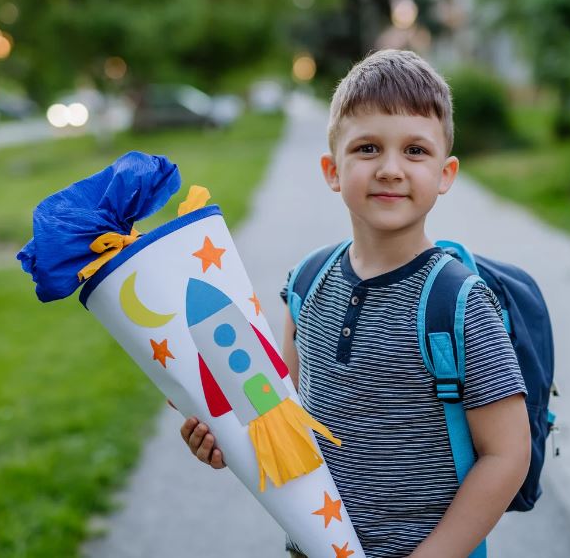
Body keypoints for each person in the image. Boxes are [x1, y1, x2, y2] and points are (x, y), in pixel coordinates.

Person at [180, 49, 531, 558]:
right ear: (332, 169)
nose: (390, 169)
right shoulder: (306, 283)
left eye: (415, 151)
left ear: (447, 173)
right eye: (367, 148)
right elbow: (283, 417)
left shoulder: (458, 303)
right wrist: (225, 445)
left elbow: (507, 453)